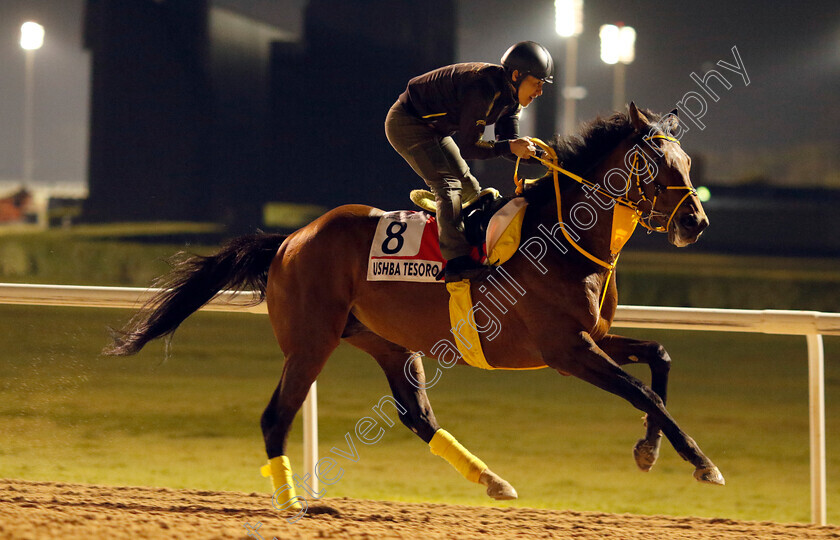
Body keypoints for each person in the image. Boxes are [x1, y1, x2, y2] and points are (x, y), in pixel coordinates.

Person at [385, 41, 554, 282]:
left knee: (470, 189)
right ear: (517, 75)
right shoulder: (482, 88)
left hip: (433, 129)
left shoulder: (512, 98)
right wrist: (512, 146)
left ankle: (469, 246)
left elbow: (509, 146)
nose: (540, 91)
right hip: (407, 123)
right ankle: (455, 261)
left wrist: (545, 157)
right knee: (449, 185)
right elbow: (469, 148)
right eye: (537, 83)